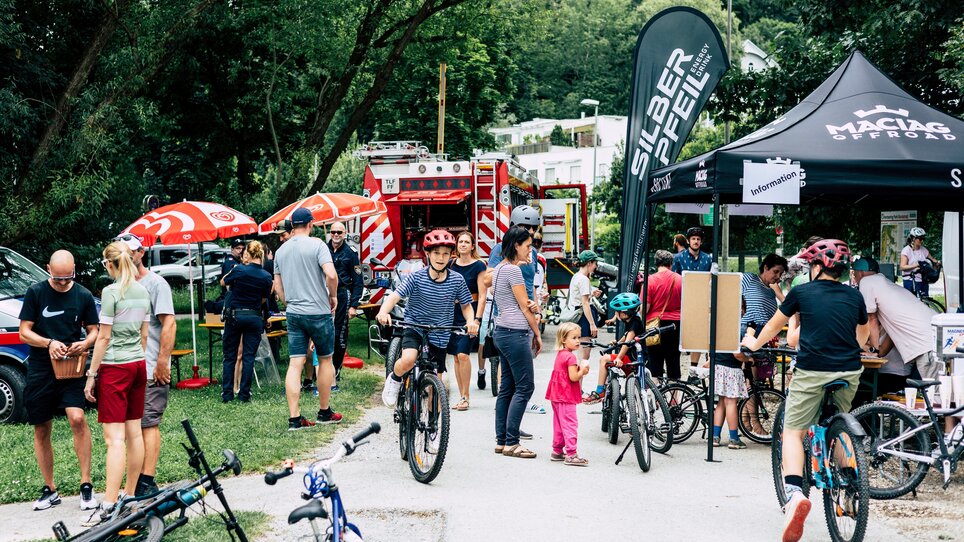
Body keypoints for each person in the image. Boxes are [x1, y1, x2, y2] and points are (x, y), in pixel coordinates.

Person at [742, 239, 869, 542]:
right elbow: (863, 335)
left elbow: (774, 326)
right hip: (849, 371)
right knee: (837, 425)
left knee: (792, 432)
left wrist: (753, 344)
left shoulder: (802, 292)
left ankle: (795, 494)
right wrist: (849, 348)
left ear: (817, 266)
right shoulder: (855, 296)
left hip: (812, 372)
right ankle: (849, 485)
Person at [18, 250, 100, 512]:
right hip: (41, 366)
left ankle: (86, 484)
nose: (63, 283)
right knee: (41, 427)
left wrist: (84, 343)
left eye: (68, 278)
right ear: (48, 269)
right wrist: (48, 343)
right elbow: (24, 332)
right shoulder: (35, 292)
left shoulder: (83, 295)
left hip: (72, 365)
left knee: (77, 418)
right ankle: (50, 488)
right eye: (58, 278)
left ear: (74, 270)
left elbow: (94, 331)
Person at [83, 241, 152, 526]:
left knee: (114, 439)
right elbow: (145, 335)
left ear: (110, 264)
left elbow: (103, 337)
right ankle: (130, 495)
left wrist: (92, 374)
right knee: (134, 434)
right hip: (137, 364)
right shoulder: (143, 290)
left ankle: (110, 503)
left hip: (115, 367)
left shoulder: (111, 292)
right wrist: (138, 359)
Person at [378, 230, 478, 406]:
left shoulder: (457, 280)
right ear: (427, 254)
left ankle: (432, 420)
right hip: (414, 326)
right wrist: (383, 312)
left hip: (440, 332)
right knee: (408, 359)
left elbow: (466, 305)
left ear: (451, 255)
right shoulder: (416, 277)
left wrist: (470, 321)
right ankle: (395, 379)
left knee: (436, 384)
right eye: (436, 253)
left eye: (445, 254)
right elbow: (394, 296)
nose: (441, 258)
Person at [113, 234, 176, 499]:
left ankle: (147, 480)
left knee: (148, 423)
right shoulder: (118, 285)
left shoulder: (156, 284)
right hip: (127, 366)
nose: (128, 256)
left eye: (132, 251)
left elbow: (169, 323)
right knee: (131, 427)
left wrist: (162, 362)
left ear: (141, 252)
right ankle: (134, 480)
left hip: (150, 368)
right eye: (123, 252)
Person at [274, 207, 343, 430]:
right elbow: (331, 274)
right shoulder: (318, 245)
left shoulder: (281, 251)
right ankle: (324, 411)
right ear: (310, 224)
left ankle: (295, 418)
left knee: (295, 363)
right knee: (325, 359)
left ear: (292, 226)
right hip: (318, 311)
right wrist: (333, 296)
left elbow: (278, 287)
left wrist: (289, 303)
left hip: (294, 313)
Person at [489, 226, 542, 459]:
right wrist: (537, 333)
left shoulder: (500, 269)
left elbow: (515, 300)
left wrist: (531, 304)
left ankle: (502, 440)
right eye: (528, 246)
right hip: (515, 333)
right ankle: (512, 442)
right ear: (516, 245)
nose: (530, 250)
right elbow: (524, 307)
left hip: (502, 331)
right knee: (525, 387)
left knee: (507, 388)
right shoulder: (513, 271)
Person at [851, 255, 942, 381]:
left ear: (860, 273)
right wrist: (875, 351)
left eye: (854, 274)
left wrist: (873, 351)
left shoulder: (866, 282)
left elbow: (872, 319)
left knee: (933, 389)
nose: (854, 278)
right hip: (935, 332)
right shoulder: (884, 284)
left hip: (926, 342)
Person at [220, 240, 273, 403]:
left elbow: (223, 282)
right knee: (248, 356)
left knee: (230, 356)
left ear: (248, 254)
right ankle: (244, 394)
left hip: (235, 315)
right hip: (254, 316)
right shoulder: (266, 276)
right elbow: (264, 298)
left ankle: (227, 393)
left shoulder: (239, 269)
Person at [448, 231, 487, 411]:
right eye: (460, 242)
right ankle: (461, 396)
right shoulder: (451, 264)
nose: (463, 244)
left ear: (472, 246)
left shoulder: (479, 265)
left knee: (463, 354)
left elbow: (483, 295)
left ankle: (466, 397)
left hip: (470, 313)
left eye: (466, 242)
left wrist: (477, 319)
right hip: (452, 314)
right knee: (456, 356)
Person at [583, 293, 645, 404]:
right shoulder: (633, 320)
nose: (615, 314)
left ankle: (600, 392)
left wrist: (619, 358)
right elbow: (626, 336)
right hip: (635, 358)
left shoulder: (634, 324)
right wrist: (618, 342)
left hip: (632, 359)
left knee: (604, 359)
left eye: (617, 312)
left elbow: (627, 343)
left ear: (624, 313)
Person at [326, 222, 363, 390]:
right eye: (333, 231)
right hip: (324, 294)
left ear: (345, 233)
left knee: (338, 334)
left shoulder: (350, 253)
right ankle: (322, 370)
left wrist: (353, 305)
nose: (336, 235)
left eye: (339, 232)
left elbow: (358, 281)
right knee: (323, 332)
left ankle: (335, 369)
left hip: (342, 293)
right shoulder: (323, 249)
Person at [546, 322, 590, 466]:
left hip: (556, 394)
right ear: (563, 339)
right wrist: (583, 371)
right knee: (570, 423)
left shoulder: (561, 354)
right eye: (574, 338)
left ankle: (557, 450)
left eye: (578, 337)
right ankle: (571, 454)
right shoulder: (571, 357)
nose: (578, 341)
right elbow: (573, 377)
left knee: (559, 423)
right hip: (566, 395)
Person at [642, 250, 682, 380]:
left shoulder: (650, 281)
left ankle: (657, 391)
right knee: (673, 360)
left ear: (656, 263)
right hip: (675, 325)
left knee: (655, 361)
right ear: (671, 263)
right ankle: (674, 392)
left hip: (654, 325)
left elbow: (645, 309)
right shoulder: (680, 280)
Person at [568, 250, 600, 364]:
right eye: (595, 263)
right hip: (584, 317)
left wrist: (591, 294)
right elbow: (585, 303)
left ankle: (578, 374)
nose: (596, 266)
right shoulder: (584, 279)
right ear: (589, 263)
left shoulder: (576, 276)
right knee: (584, 356)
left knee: (583, 354)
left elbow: (579, 298)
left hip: (580, 314)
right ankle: (578, 375)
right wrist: (592, 324)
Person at [899, 227, 940, 296]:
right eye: (920, 239)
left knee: (924, 299)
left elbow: (932, 259)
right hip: (910, 280)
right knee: (912, 300)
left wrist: (937, 263)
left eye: (923, 238)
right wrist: (917, 265)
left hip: (923, 280)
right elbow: (902, 267)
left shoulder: (924, 250)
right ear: (913, 238)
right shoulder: (906, 250)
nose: (922, 241)